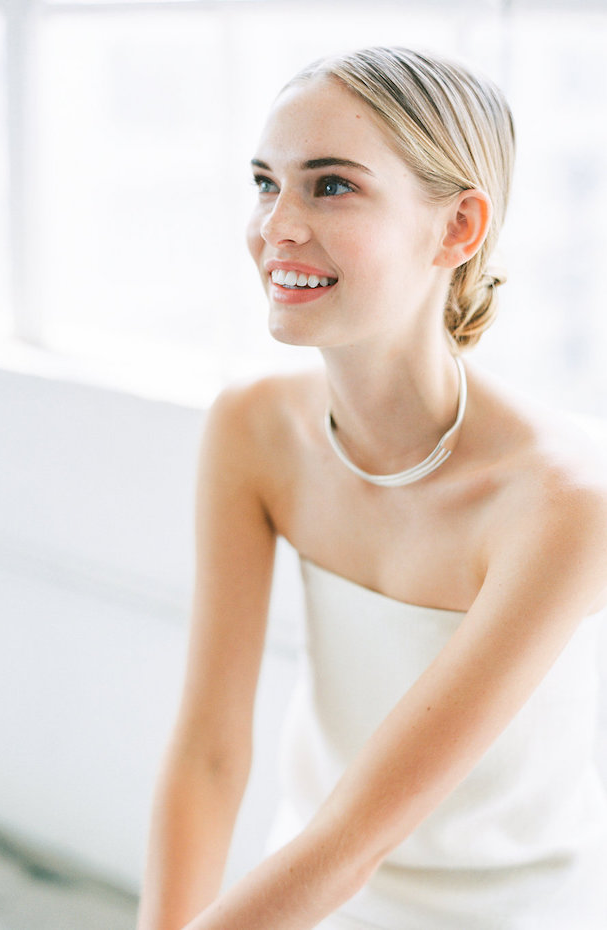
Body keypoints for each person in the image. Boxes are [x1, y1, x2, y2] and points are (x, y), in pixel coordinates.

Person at [137, 46, 607, 930]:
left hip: (516, 909)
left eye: (332, 186)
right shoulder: (252, 429)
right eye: (265, 183)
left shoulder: (564, 505)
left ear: (458, 228)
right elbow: (208, 756)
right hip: (306, 882)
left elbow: (356, 841)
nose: (276, 226)